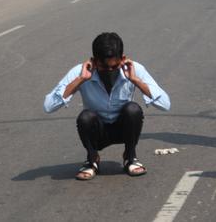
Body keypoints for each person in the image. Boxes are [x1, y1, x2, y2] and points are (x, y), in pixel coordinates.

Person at [43, 33, 171, 180]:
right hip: (98, 131)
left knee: (133, 110)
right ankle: (92, 160)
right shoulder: (81, 72)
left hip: (124, 129)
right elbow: (48, 106)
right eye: (104, 67)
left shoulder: (134, 69)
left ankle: (130, 157)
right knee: (85, 117)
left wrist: (135, 80)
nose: (110, 71)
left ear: (123, 59)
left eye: (115, 67)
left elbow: (165, 104)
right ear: (93, 61)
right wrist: (80, 80)